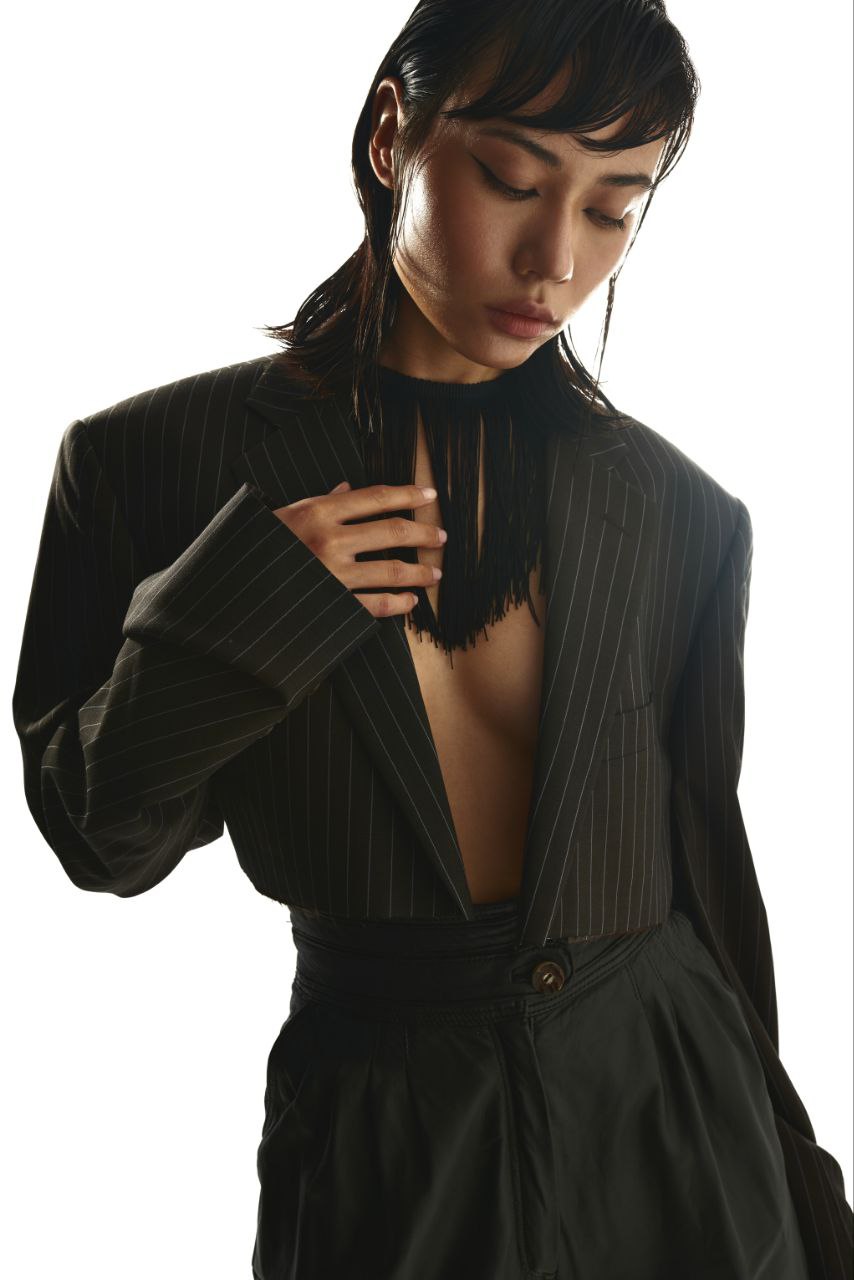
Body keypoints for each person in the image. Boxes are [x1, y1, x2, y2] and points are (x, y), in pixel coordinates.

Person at [11, 2, 852, 1277]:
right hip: (385, 1139)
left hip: (679, 1118)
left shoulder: (679, 513)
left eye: (612, 208)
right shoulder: (144, 466)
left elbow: (712, 886)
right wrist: (240, 605)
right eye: (511, 178)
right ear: (390, 135)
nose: (554, 259)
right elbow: (97, 838)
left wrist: (803, 1182)